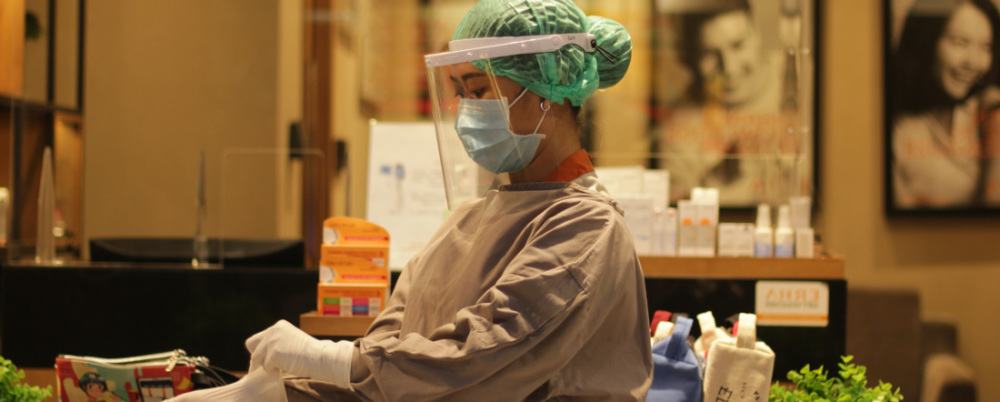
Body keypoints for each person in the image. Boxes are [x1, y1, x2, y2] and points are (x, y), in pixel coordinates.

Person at [172, 0, 652, 401]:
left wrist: (327, 359)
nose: (468, 110)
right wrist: (288, 390)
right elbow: (394, 346)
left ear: (548, 88)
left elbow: (482, 355)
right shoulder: (471, 217)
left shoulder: (587, 227)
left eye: (481, 90)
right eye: (461, 92)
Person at [656, 0, 800, 206]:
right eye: (709, 54)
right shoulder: (675, 126)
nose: (729, 68)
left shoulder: (802, 81)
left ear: (757, 34)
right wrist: (714, 179)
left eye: (738, 45)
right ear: (691, 59)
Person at [891, 0, 1000, 208]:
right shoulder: (898, 134)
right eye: (960, 42)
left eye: (986, 46)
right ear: (927, 41)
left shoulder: (989, 110)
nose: (973, 62)